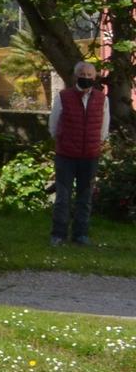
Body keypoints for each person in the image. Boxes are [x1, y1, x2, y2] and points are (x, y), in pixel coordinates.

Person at [47, 60, 109, 246]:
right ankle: (58, 234)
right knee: (63, 197)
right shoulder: (63, 97)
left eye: (90, 75)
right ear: (76, 76)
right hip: (66, 155)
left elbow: (104, 127)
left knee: (85, 197)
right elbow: (53, 124)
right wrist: (63, 141)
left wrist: (97, 144)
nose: (86, 78)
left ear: (95, 77)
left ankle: (81, 235)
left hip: (89, 155)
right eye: (83, 75)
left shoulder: (102, 99)